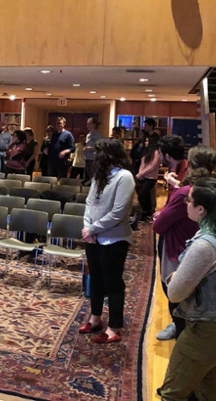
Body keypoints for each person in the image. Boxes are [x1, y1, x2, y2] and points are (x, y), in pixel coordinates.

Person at [158, 177, 216, 401]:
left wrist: (175, 274)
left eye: (189, 200)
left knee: (172, 393)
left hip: (209, 328)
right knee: (208, 388)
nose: (185, 203)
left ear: (201, 209)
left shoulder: (205, 245)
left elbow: (175, 292)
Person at [153, 145, 216, 341]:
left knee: (175, 293)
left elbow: (159, 225)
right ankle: (185, 328)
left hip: (179, 248)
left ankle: (183, 332)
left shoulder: (186, 193)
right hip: (205, 250)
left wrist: (164, 214)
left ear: (190, 165)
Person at [79, 138, 136, 343]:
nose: (96, 157)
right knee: (95, 278)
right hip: (94, 238)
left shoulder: (124, 177)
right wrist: (88, 229)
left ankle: (114, 327)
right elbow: (89, 204)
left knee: (113, 283)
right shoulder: (99, 176)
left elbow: (118, 212)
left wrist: (93, 228)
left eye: (99, 153)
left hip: (114, 239)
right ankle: (95, 319)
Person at [135, 138, 162, 222]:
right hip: (143, 177)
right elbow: (142, 164)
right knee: (143, 196)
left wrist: (141, 174)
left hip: (151, 178)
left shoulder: (156, 152)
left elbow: (152, 166)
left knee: (143, 194)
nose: (145, 142)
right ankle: (145, 213)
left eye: (147, 141)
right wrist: (140, 174)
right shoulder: (145, 152)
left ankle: (148, 213)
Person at [159, 135, 188, 203]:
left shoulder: (186, 174)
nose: (158, 156)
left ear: (167, 156)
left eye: (159, 153)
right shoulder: (173, 169)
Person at [83, 117, 103, 183]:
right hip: (87, 158)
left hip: (94, 159)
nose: (87, 126)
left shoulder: (98, 135)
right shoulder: (88, 135)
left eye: (89, 124)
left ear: (94, 125)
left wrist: (91, 148)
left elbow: (101, 147)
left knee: (94, 177)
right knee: (88, 177)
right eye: (87, 124)